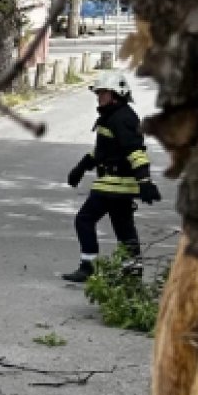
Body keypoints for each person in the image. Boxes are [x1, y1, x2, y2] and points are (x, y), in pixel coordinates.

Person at [63, 73, 159, 283]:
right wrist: (80, 168)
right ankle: (132, 273)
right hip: (114, 185)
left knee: (84, 219)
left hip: (114, 185)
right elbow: (102, 151)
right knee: (124, 230)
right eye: (98, 93)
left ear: (116, 94)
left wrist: (145, 181)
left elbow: (135, 151)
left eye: (102, 93)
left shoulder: (122, 118)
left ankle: (89, 266)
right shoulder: (113, 116)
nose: (98, 97)